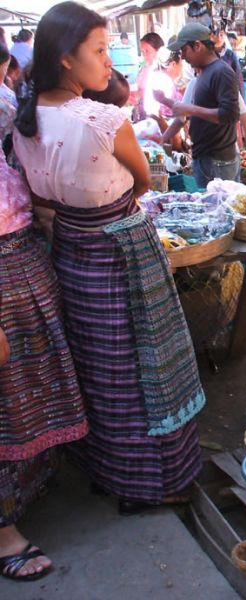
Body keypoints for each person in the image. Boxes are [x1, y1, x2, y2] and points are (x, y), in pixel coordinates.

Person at [13, 1, 205, 516]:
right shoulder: (103, 118)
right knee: (149, 367)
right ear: (66, 60)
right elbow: (143, 182)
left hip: (72, 250)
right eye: (98, 50)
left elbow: (42, 199)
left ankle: (110, 472)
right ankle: (157, 482)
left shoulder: (24, 122)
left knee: (100, 367)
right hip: (124, 249)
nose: (107, 61)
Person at [0, 92, 88, 583]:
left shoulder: (6, 120)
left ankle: (27, 492)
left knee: (29, 393)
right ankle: (3, 532)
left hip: (24, 268)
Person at [166, 22, 240, 187]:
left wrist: (191, 109)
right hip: (208, 159)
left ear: (197, 46)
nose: (183, 57)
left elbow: (230, 115)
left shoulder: (221, 72)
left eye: (184, 50)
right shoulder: (205, 72)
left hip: (217, 162)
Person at [133, 32, 164, 119]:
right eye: (142, 52)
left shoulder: (161, 71)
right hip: (143, 112)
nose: (144, 55)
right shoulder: (145, 68)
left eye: (147, 51)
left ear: (158, 50)